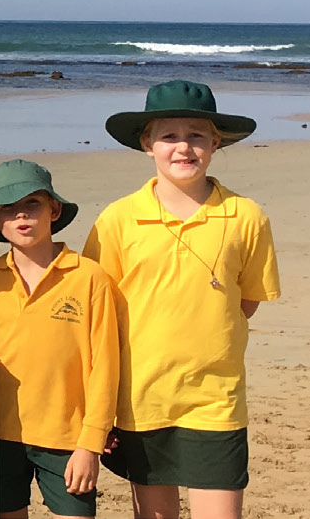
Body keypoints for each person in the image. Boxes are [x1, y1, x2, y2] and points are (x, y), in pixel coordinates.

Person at [86, 81, 282, 519]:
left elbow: (246, 301)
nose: (183, 148)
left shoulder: (246, 215)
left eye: (196, 135)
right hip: (140, 397)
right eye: (169, 136)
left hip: (217, 398)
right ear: (147, 143)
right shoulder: (117, 219)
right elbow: (99, 312)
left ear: (216, 142)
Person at [0, 160, 122, 519]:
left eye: (32, 204)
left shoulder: (89, 277)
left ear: (53, 209)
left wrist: (91, 442)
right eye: (8, 208)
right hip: (0, 432)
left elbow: (105, 364)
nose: (21, 215)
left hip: (69, 435)